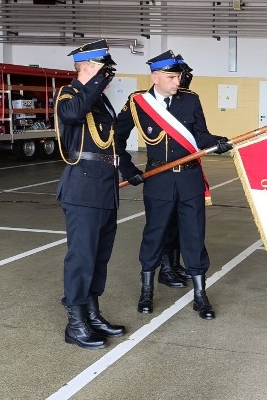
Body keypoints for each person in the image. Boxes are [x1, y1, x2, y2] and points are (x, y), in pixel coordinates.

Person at [115, 51, 232, 319]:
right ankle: (146, 291)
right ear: (155, 77)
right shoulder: (138, 103)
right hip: (159, 180)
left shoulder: (190, 100)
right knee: (154, 234)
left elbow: (200, 135)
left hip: (190, 179)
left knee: (194, 234)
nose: (176, 81)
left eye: (178, 76)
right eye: (170, 77)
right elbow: (116, 138)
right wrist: (128, 168)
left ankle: (200, 295)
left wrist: (219, 142)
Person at [55, 39, 127, 350]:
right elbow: (72, 115)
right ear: (85, 67)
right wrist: (96, 81)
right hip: (82, 187)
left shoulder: (99, 100)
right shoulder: (69, 95)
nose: (106, 75)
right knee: (81, 257)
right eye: (100, 67)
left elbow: (111, 140)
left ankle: (93, 313)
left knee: (100, 256)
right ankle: (75, 323)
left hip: (104, 185)